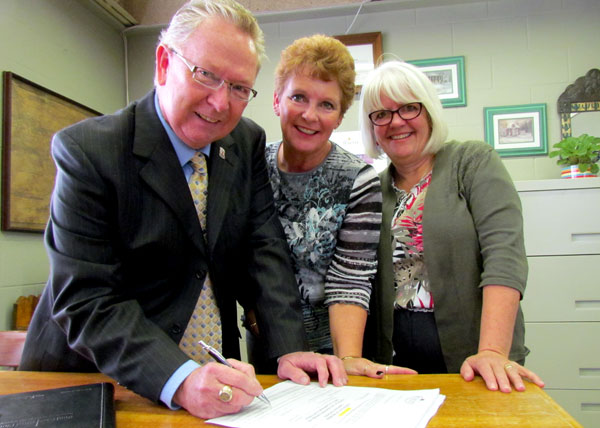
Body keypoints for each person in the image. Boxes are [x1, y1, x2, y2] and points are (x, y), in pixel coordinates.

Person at [19, 0, 346, 419]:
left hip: (217, 387)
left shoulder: (244, 143)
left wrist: (288, 348)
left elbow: (263, 250)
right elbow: (88, 299)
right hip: (96, 383)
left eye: (239, 88)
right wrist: (180, 378)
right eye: (206, 75)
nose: (219, 103)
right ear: (162, 63)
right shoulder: (89, 152)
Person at [359, 60, 545, 392]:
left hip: (477, 356)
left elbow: (504, 257)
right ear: (372, 126)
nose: (395, 122)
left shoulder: (472, 162)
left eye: (408, 108)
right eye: (381, 114)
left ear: (429, 111)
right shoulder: (373, 188)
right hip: (396, 363)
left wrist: (492, 351)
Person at [243, 35, 416, 379]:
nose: (310, 115)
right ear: (277, 100)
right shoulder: (249, 165)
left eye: (327, 105)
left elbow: (351, 276)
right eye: (298, 97)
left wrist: (347, 358)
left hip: (335, 349)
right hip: (266, 345)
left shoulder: (357, 178)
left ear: (340, 117)